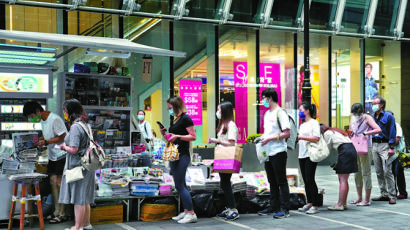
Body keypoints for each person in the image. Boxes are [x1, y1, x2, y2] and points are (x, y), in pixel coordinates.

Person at [23, 101, 69, 223]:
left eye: (32, 117)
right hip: (53, 156)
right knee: (52, 182)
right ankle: (56, 211)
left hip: (62, 154)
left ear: (38, 111)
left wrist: (47, 142)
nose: (31, 119)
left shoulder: (55, 119)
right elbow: (50, 136)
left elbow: (64, 136)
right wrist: (41, 140)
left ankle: (62, 213)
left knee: (59, 183)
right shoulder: (43, 120)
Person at [160, 96, 197, 224]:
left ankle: (191, 213)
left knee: (180, 185)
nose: (168, 110)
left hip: (183, 155)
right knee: (179, 185)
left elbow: (193, 136)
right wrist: (164, 134)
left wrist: (178, 136)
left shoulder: (186, 118)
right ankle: (186, 211)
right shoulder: (175, 120)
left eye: (170, 108)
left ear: (176, 106)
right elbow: (172, 139)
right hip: (174, 154)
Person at [58, 99, 94, 230]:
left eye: (65, 111)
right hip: (88, 165)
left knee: (78, 197)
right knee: (84, 197)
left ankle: (77, 227)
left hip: (77, 167)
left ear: (70, 112)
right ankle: (86, 224)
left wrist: (63, 147)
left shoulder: (75, 127)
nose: (64, 113)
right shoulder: (86, 125)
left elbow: (74, 149)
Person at [256, 88, 291, 219]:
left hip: (278, 151)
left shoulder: (280, 113)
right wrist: (261, 138)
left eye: (263, 98)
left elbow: (287, 133)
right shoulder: (267, 114)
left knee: (281, 180)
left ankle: (285, 208)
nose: (262, 101)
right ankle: (274, 206)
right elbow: (268, 132)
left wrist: (270, 139)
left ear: (269, 98)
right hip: (267, 152)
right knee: (271, 180)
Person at [208, 102, 239, 220]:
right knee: (224, 183)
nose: (217, 112)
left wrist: (217, 141)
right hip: (222, 156)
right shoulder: (223, 125)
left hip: (227, 156)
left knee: (225, 183)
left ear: (225, 111)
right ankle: (230, 207)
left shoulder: (231, 125)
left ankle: (233, 209)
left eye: (219, 110)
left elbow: (232, 142)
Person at [349, 103, 382, 206]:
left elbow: (378, 129)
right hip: (355, 146)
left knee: (366, 173)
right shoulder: (352, 118)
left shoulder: (367, 118)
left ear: (361, 111)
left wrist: (366, 133)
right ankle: (359, 197)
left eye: (357, 113)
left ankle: (367, 200)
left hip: (365, 147)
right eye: (354, 113)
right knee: (356, 172)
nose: (356, 115)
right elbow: (352, 130)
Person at [320, 124, 358, 211]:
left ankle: (340, 204)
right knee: (344, 179)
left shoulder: (327, 134)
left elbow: (326, 150)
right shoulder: (336, 131)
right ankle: (343, 203)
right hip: (350, 150)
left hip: (345, 152)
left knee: (342, 180)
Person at [371, 96, 397, 204]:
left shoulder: (389, 116)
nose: (373, 106)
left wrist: (391, 147)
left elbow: (392, 132)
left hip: (385, 145)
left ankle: (392, 196)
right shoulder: (372, 116)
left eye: (374, 103)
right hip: (375, 145)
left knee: (387, 171)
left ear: (381, 105)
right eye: (372, 104)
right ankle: (383, 194)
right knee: (378, 171)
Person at [297, 103, 321, 214]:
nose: (299, 112)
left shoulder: (314, 123)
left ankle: (315, 205)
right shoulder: (302, 125)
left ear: (307, 111)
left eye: (301, 110)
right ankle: (309, 202)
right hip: (302, 154)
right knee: (305, 180)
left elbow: (316, 138)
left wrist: (301, 137)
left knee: (310, 179)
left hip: (310, 154)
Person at [388, 112, 408, 199]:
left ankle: (403, 192)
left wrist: (389, 145)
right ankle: (393, 192)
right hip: (391, 153)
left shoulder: (396, 125)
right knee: (391, 173)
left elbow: (398, 138)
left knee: (399, 172)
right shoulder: (387, 126)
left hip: (398, 153)